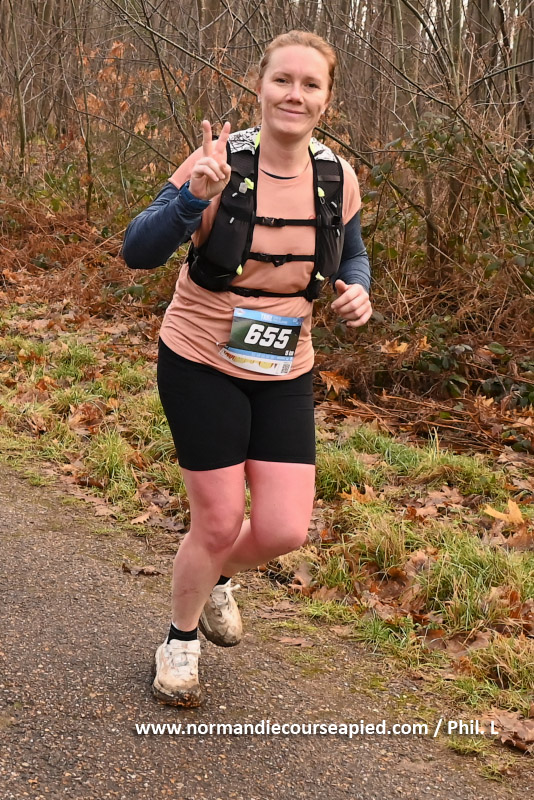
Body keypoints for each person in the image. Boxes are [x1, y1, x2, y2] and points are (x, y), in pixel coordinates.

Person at [122, 30, 372, 707]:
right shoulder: (218, 160)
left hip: (286, 363)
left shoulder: (336, 176)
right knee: (218, 518)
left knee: (285, 529)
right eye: (282, 80)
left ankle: (213, 577)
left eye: (310, 84)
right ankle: (179, 641)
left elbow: (351, 252)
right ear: (260, 86)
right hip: (200, 357)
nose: (295, 94)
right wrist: (191, 200)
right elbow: (137, 251)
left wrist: (357, 288)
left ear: (326, 99)